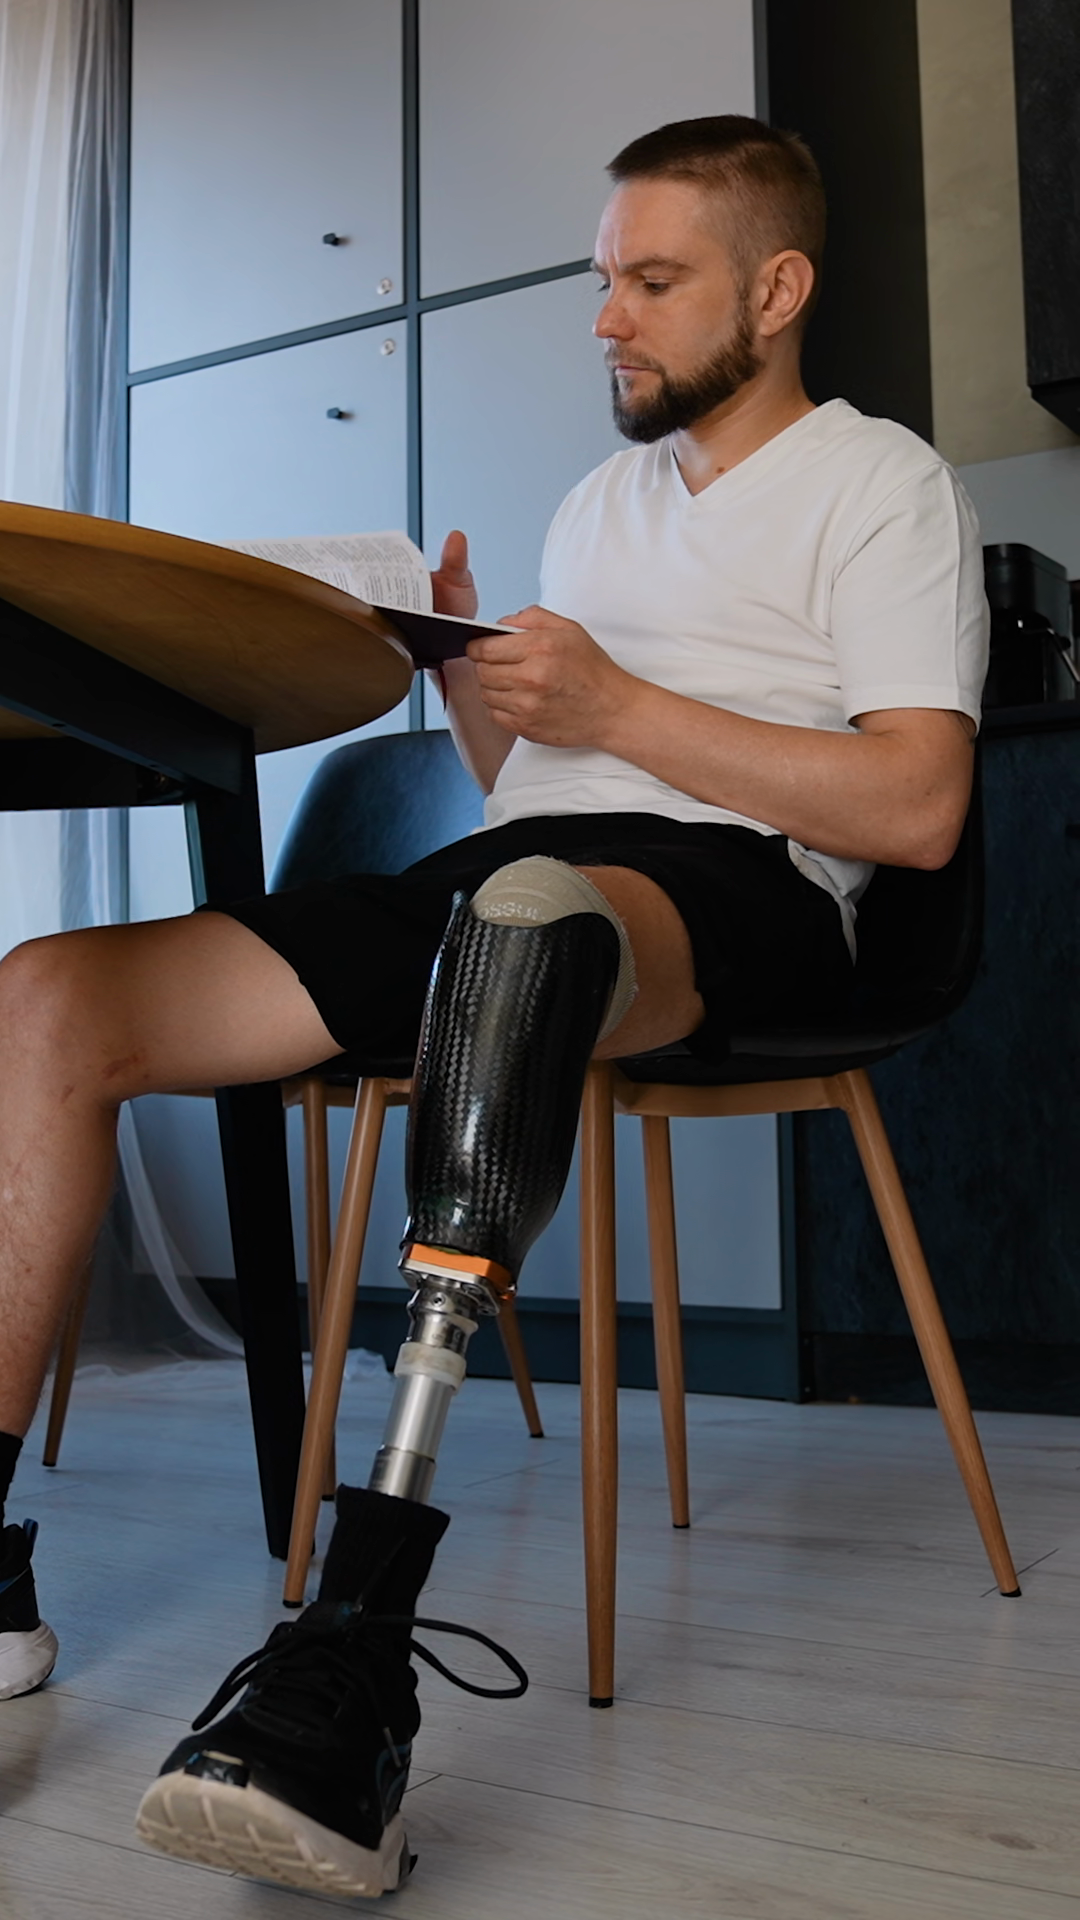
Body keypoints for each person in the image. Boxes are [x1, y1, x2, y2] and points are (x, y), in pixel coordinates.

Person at [0, 114, 987, 1898]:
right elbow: (532, 795)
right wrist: (464, 674)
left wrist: (615, 710)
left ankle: (353, 1657)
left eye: (653, 281)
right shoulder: (602, 505)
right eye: (604, 278)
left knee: (525, 926)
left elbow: (916, 806)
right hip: (522, 871)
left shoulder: (883, 482)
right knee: (54, 990)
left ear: (778, 291)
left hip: (743, 891)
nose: (607, 317)